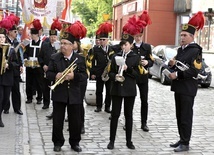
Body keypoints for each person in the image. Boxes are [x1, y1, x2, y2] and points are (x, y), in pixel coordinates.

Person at [46, 22, 87, 153]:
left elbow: (84, 76)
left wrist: (74, 76)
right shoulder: (54, 57)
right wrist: (55, 76)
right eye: (61, 43)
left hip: (74, 94)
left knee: (75, 120)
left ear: (72, 46)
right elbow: (48, 74)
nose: (62, 46)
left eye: (65, 43)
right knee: (57, 120)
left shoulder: (79, 59)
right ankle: (57, 142)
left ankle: (75, 142)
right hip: (59, 93)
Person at [168, 11, 204, 152]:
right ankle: (182, 138)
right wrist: (172, 64)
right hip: (179, 87)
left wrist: (177, 74)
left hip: (188, 88)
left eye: (184, 36)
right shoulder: (181, 50)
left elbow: (194, 71)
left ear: (191, 37)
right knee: (179, 115)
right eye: (181, 35)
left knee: (186, 116)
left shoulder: (196, 51)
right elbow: (179, 64)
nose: (181, 38)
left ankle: (186, 142)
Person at [107, 16, 145, 150]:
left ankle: (129, 141)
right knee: (115, 115)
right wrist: (115, 75)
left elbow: (138, 76)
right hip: (116, 88)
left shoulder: (135, 57)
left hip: (129, 89)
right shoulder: (115, 56)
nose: (123, 47)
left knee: (128, 115)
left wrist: (127, 69)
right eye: (122, 44)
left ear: (131, 45)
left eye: (126, 45)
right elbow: (109, 73)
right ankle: (111, 140)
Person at [132, 11, 154, 132]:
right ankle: (128, 121)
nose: (138, 38)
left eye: (140, 36)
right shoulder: (131, 46)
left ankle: (144, 122)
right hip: (133, 75)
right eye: (136, 36)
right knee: (130, 99)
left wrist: (147, 63)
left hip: (143, 77)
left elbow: (151, 60)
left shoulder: (147, 47)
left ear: (142, 35)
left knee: (144, 100)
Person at [90, 22, 115, 113]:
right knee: (99, 90)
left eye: (104, 39)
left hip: (109, 73)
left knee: (109, 91)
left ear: (107, 40)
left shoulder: (112, 49)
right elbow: (92, 61)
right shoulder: (95, 49)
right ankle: (99, 106)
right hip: (99, 72)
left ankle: (107, 106)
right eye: (100, 40)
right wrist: (92, 73)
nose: (102, 41)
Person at [39, 18, 61, 110]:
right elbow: (39, 57)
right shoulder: (44, 45)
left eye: (54, 37)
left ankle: (55, 104)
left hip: (56, 70)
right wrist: (43, 65)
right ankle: (46, 103)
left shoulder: (59, 46)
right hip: (46, 69)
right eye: (51, 37)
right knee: (45, 87)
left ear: (56, 37)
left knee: (56, 89)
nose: (53, 38)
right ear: (49, 36)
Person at [4, 15, 23, 115]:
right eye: (15, 32)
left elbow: (19, 55)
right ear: (10, 32)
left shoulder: (16, 42)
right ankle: (6, 107)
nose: (17, 33)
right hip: (7, 69)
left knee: (16, 90)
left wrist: (20, 65)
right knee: (7, 90)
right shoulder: (5, 41)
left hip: (15, 68)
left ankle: (17, 108)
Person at [24, 19, 44, 104]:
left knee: (39, 82)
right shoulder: (29, 43)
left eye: (32, 34)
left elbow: (43, 55)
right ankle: (29, 97)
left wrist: (41, 63)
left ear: (36, 35)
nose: (31, 36)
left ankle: (39, 98)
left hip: (38, 65)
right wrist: (25, 59)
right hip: (29, 65)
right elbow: (25, 53)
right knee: (29, 82)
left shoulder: (42, 44)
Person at [0, 21, 14, 127]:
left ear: (6, 38)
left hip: (7, 78)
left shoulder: (11, 50)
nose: (1, 40)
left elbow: (17, 63)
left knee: (5, 99)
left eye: (3, 38)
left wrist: (8, 65)